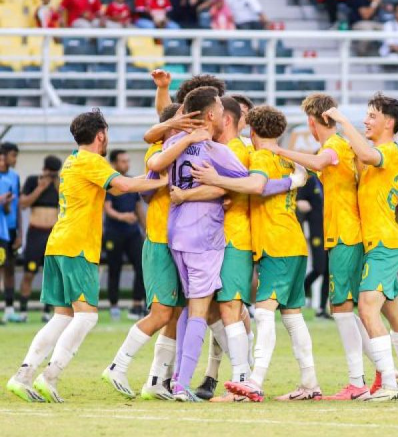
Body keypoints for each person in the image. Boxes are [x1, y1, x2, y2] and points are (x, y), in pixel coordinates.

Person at [6, 110, 166, 403]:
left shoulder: (72, 160)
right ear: (101, 134)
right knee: (87, 317)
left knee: (62, 316)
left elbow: (124, 182)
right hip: (77, 246)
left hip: (58, 244)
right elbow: (125, 187)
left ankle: (23, 376)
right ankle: (49, 376)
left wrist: (153, 177)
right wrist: (163, 183)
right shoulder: (93, 161)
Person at [191, 105, 320, 403]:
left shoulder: (262, 156)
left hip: (276, 244)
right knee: (292, 317)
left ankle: (254, 381)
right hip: (293, 243)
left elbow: (256, 185)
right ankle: (309, 382)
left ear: (252, 130)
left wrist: (215, 179)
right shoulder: (285, 158)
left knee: (263, 312)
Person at [264, 93, 372, 400]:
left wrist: (277, 148)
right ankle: (381, 374)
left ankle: (358, 381)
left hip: (345, 234)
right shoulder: (337, 146)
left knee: (342, 306)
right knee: (350, 307)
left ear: (313, 122)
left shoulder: (334, 146)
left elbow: (317, 162)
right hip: (344, 233)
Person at [322, 94, 398, 401]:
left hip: (384, 244)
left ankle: (389, 384)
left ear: (388, 123)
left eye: (371, 116)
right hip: (379, 242)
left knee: (366, 308)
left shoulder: (389, 152)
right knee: (392, 309)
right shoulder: (379, 152)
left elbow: (365, 155)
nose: (367, 120)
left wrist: (342, 121)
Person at [167, 97, 262, 403]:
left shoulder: (175, 142)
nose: (226, 116)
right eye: (221, 111)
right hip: (208, 238)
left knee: (194, 309)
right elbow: (249, 184)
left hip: (176, 234)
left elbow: (154, 166)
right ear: (211, 115)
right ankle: (189, 384)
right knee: (208, 310)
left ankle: (178, 379)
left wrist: (184, 194)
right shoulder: (218, 150)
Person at [101, 103, 189, 401]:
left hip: (178, 241)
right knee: (162, 312)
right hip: (159, 240)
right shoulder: (158, 149)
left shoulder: (179, 148)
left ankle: (155, 379)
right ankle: (118, 365)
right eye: (182, 122)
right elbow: (153, 171)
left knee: (175, 313)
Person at [17, 156, 61, 323]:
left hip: (52, 234)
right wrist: (40, 188)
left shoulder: (59, 184)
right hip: (36, 233)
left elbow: (68, 204)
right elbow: (23, 203)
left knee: (52, 274)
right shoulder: (33, 181)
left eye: (54, 174)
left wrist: (57, 187)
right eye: (50, 173)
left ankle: (47, 311)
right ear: (44, 169)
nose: (51, 177)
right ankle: (23, 310)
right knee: (29, 272)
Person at [103, 150, 146, 321]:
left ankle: (136, 305)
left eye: (127, 161)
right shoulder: (109, 183)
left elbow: (138, 208)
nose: (126, 164)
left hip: (133, 232)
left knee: (141, 266)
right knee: (115, 269)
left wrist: (146, 229)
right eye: (122, 161)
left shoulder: (131, 182)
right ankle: (114, 305)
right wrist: (123, 217)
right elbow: (107, 208)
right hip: (114, 233)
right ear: (114, 163)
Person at [295, 176, 330, 320]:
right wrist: (302, 204)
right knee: (318, 268)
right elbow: (298, 200)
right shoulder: (310, 181)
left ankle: (322, 309)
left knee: (329, 271)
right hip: (316, 230)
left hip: (331, 230)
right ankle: (296, 293)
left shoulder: (330, 180)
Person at [0, 151, 14, 324]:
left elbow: (8, 211)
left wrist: (7, 203)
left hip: (2, 233)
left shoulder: (7, 181)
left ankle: (7, 309)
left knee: (3, 269)